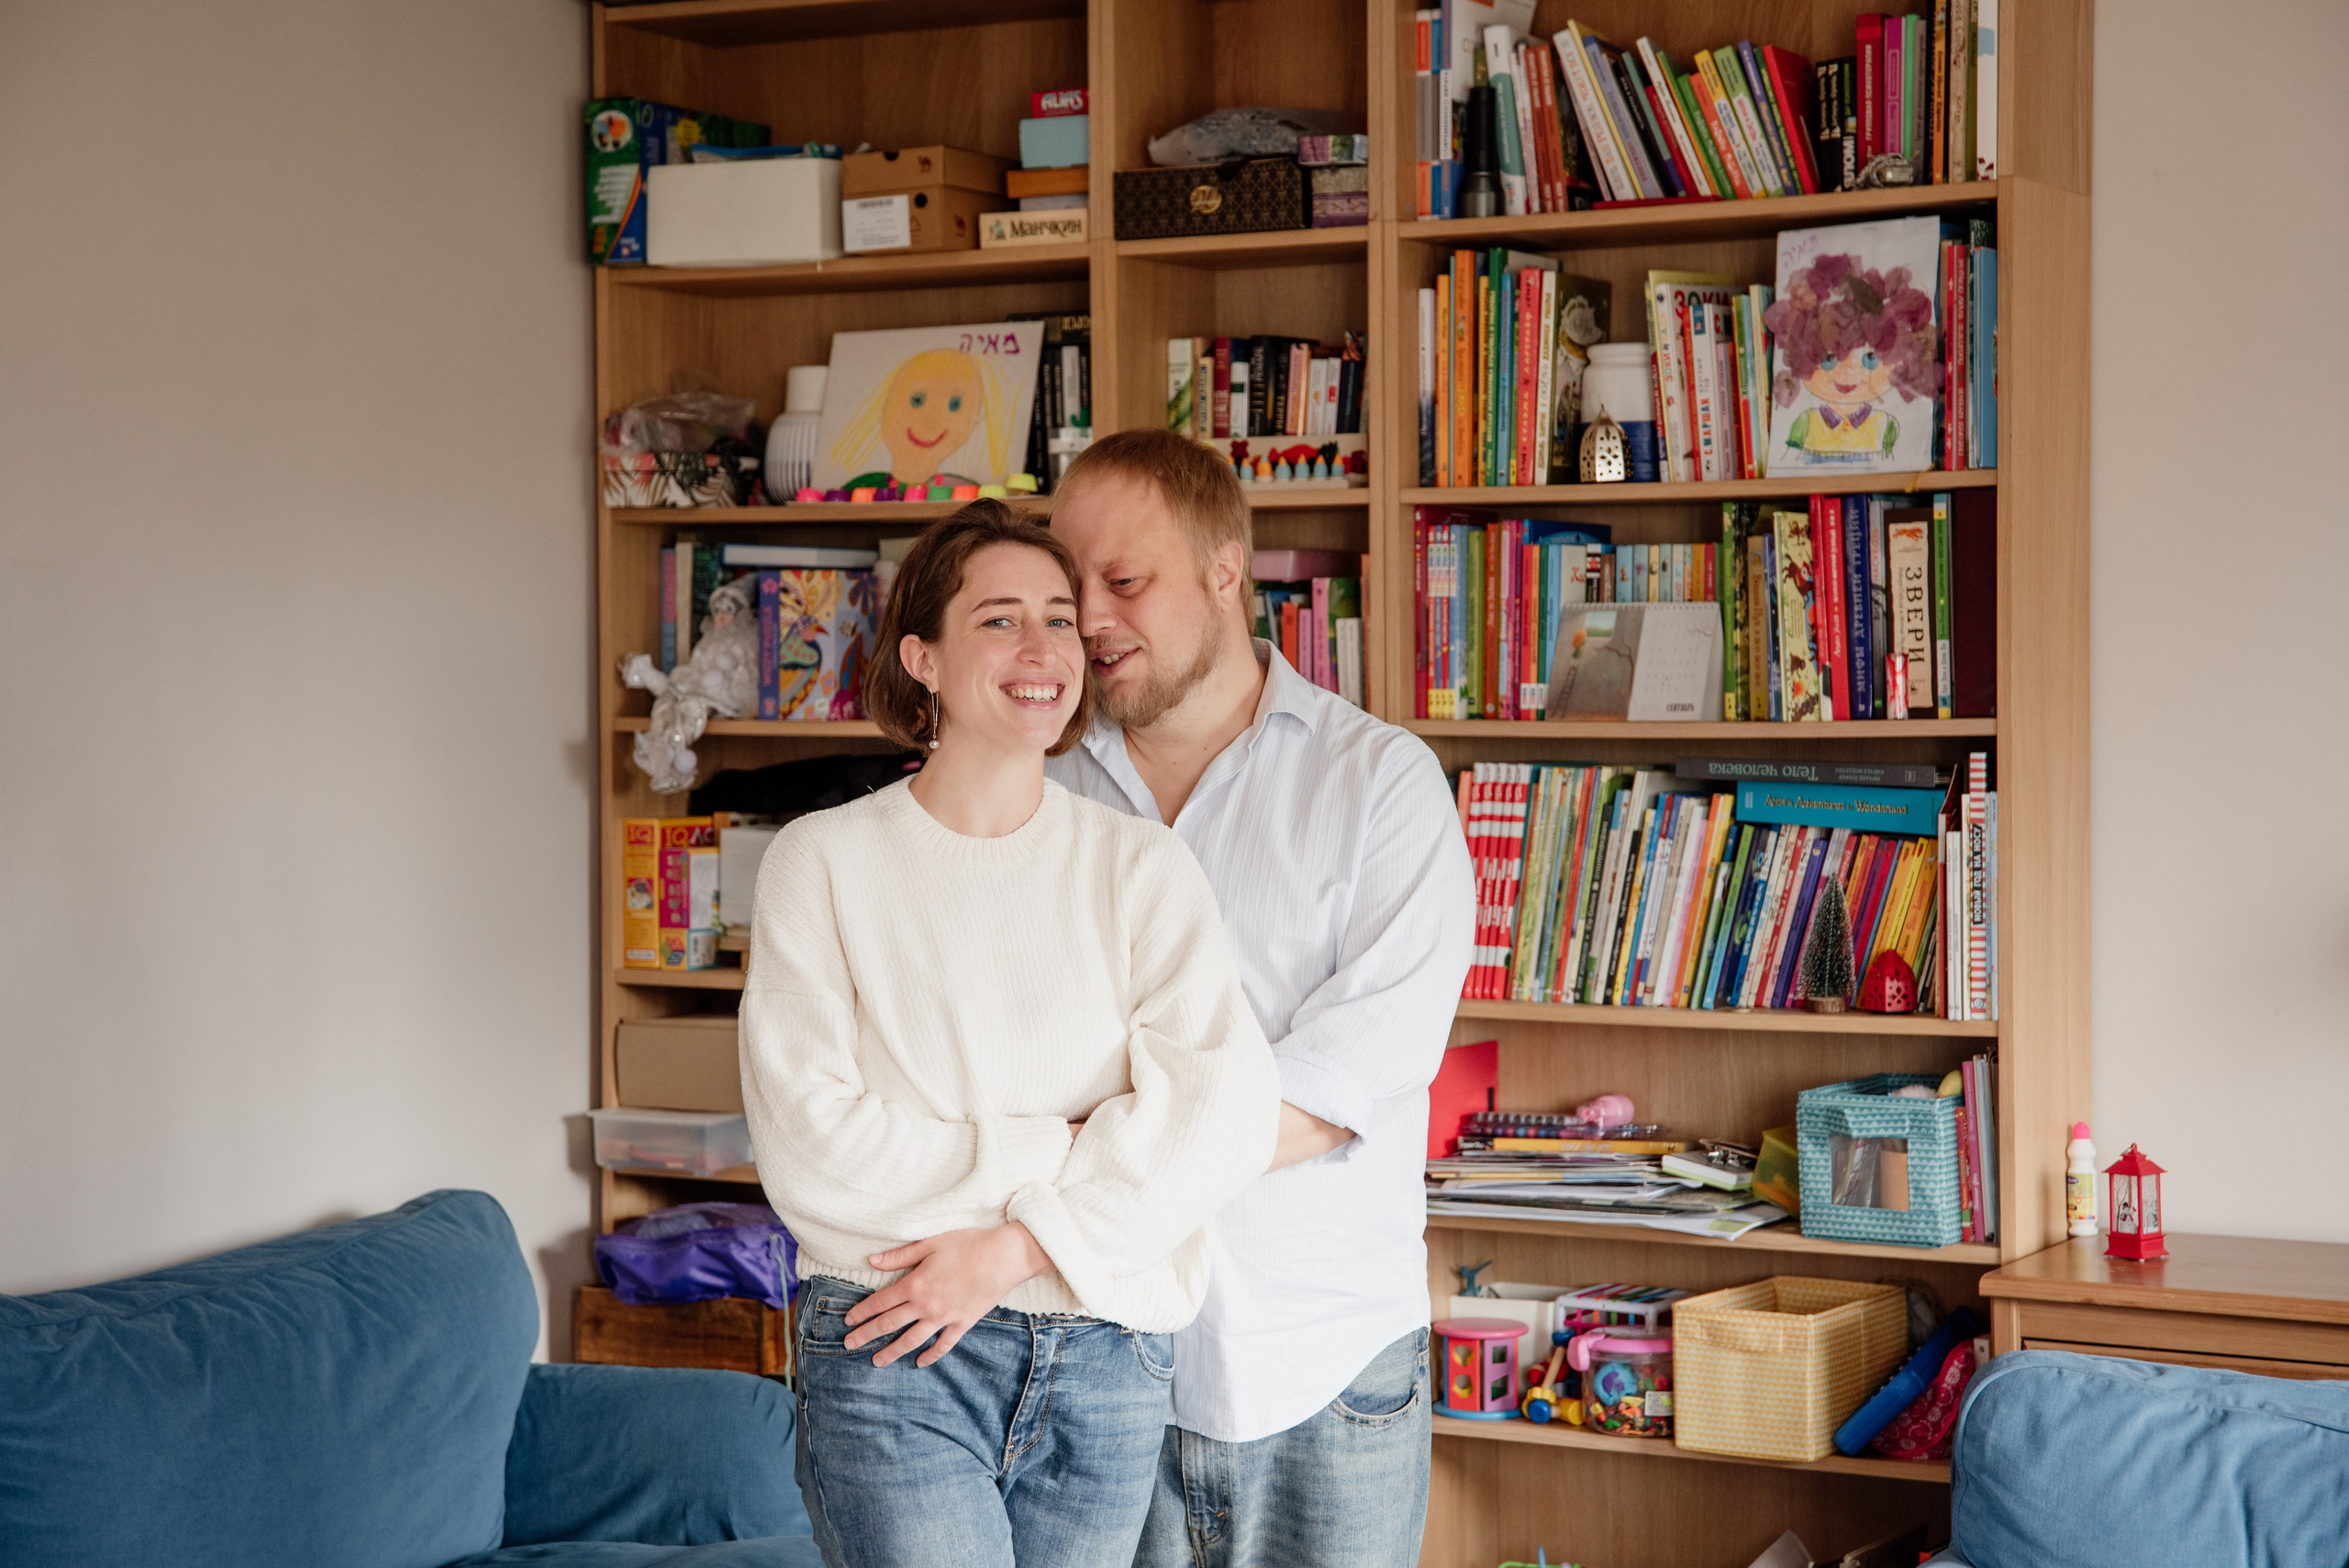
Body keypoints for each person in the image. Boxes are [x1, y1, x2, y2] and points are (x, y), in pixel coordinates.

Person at [740, 501, 1281, 1568]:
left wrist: (1018, 1246)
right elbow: (813, 1147)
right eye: (998, 620)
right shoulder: (823, 860)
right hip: (898, 1336)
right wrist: (1063, 1146)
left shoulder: (1140, 866)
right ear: (922, 658)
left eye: (1060, 619)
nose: (1042, 649)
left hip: (1108, 1351)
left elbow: (1221, 1120)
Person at [1045, 430, 1475, 1567]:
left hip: (1324, 1368)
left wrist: (1096, 1138)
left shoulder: (1380, 784)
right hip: (1096, 1364)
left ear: (1225, 570)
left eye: (1123, 579)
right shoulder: (1034, 791)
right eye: (1067, 583)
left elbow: (1339, 1085)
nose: (1086, 618)